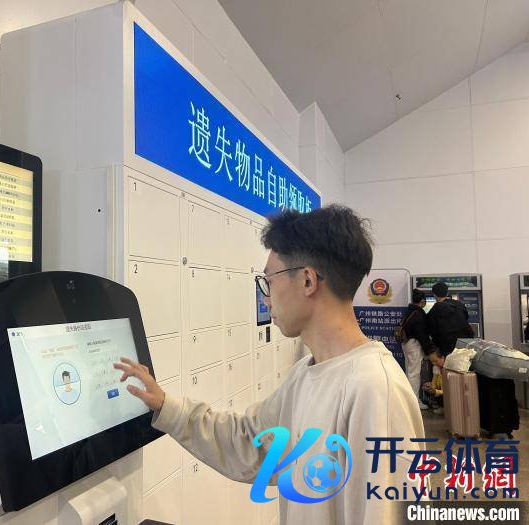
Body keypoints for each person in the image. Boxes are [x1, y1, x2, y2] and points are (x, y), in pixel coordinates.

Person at [115, 205, 425, 525]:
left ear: (307, 281)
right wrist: (165, 405)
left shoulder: (376, 389)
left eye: (268, 282)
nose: (266, 298)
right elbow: (251, 441)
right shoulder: (305, 374)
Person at [400, 289, 432, 410]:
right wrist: (429, 350)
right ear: (422, 301)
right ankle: (414, 402)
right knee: (414, 373)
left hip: (406, 343)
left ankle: (408, 400)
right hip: (414, 344)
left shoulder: (409, 311)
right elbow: (422, 335)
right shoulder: (419, 313)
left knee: (409, 372)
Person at [426, 282, 474, 356]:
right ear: (447, 293)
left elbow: (431, 329)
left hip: (446, 348)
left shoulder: (436, 309)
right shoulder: (459, 304)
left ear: (434, 295)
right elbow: (466, 318)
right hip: (463, 344)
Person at [422, 351, 445, 415]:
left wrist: (435, 391)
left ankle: (444, 407)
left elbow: (447, 391)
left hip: (445, 393)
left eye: (436, 361)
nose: (434, 363)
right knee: (427, 390)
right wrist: (429, 386)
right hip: (440, 391)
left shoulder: (447, 371)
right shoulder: (436, 369)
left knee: (439, 395)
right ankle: (440, 406)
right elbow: (434, 383)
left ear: (442, 358)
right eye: (432, 362)